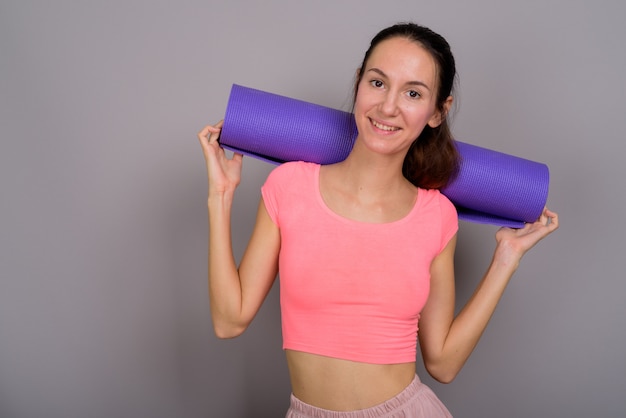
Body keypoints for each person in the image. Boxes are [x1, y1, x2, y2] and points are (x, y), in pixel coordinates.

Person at [197, 22, 559, 417]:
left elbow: (443, 363)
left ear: (438, 111)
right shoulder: (289, 187)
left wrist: (507, 258)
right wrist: (221, 194)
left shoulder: (437, 215)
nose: (388, 107)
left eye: (413, 93)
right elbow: (229, 321)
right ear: (358, 83)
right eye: (378, 83)